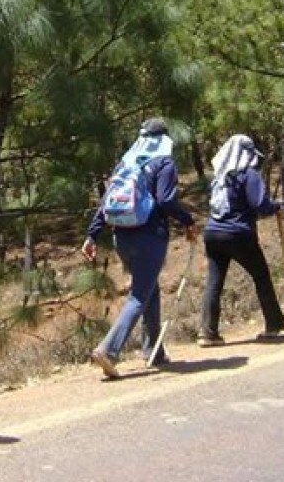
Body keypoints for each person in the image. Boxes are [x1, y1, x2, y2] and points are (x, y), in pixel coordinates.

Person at [81, 118, 198, 378]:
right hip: (150, 237)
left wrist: (91, 235)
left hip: (122, 238)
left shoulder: (127, 163)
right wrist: (189, 221)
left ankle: (154, 351)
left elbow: (105, 203)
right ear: (164, 139)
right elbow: (166, 199)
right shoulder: (164, 162)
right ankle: (108, 350)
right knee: (138, 295)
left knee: (149, 289)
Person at [198, 134, 284, 346]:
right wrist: (276, 206)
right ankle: (273, 324)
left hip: (212, 233)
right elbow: (259, 204)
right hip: (238, 233)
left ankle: (207, 332)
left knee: (214, 281)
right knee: (261, 275)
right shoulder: (249, 175)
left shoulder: (219, 177)